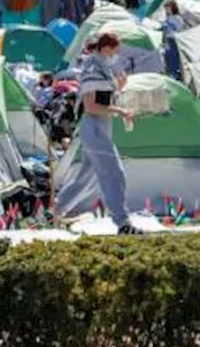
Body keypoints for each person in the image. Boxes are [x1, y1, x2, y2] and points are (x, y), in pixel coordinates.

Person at [55, 32, 140, 234]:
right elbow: (91, 105)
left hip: (99, 126)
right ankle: (122, 222)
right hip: (94, 126)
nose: (117, 55)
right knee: (114, 174)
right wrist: (119, 111)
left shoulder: (101, 67)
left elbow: (103, 99)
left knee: (84, 176)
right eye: (115, 50)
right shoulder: (93, 67)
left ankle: (55, 211)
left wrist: (118, 88)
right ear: (106, 48)